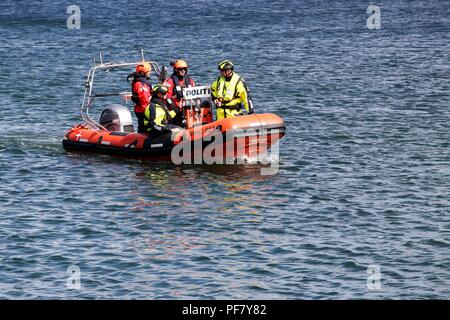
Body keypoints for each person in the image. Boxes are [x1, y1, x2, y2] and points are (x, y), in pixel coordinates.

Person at [163, 59, 196, 125]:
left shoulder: (190, 81)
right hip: (175, 110)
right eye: (181, 69)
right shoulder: (170, 81)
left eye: (184, 69)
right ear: (176, 70)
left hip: (188, 108)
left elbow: (195, 93)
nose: (183, 71)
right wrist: (174, 107)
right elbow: (167, 97)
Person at [128, 61, 152, 133]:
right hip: (143, 110)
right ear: (142, 73)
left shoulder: (142, 82)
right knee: (143, 127)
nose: (150, 73)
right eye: (148, 72)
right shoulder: (139, 84)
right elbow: (144, 99)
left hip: (142, 109)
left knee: (143, 127)